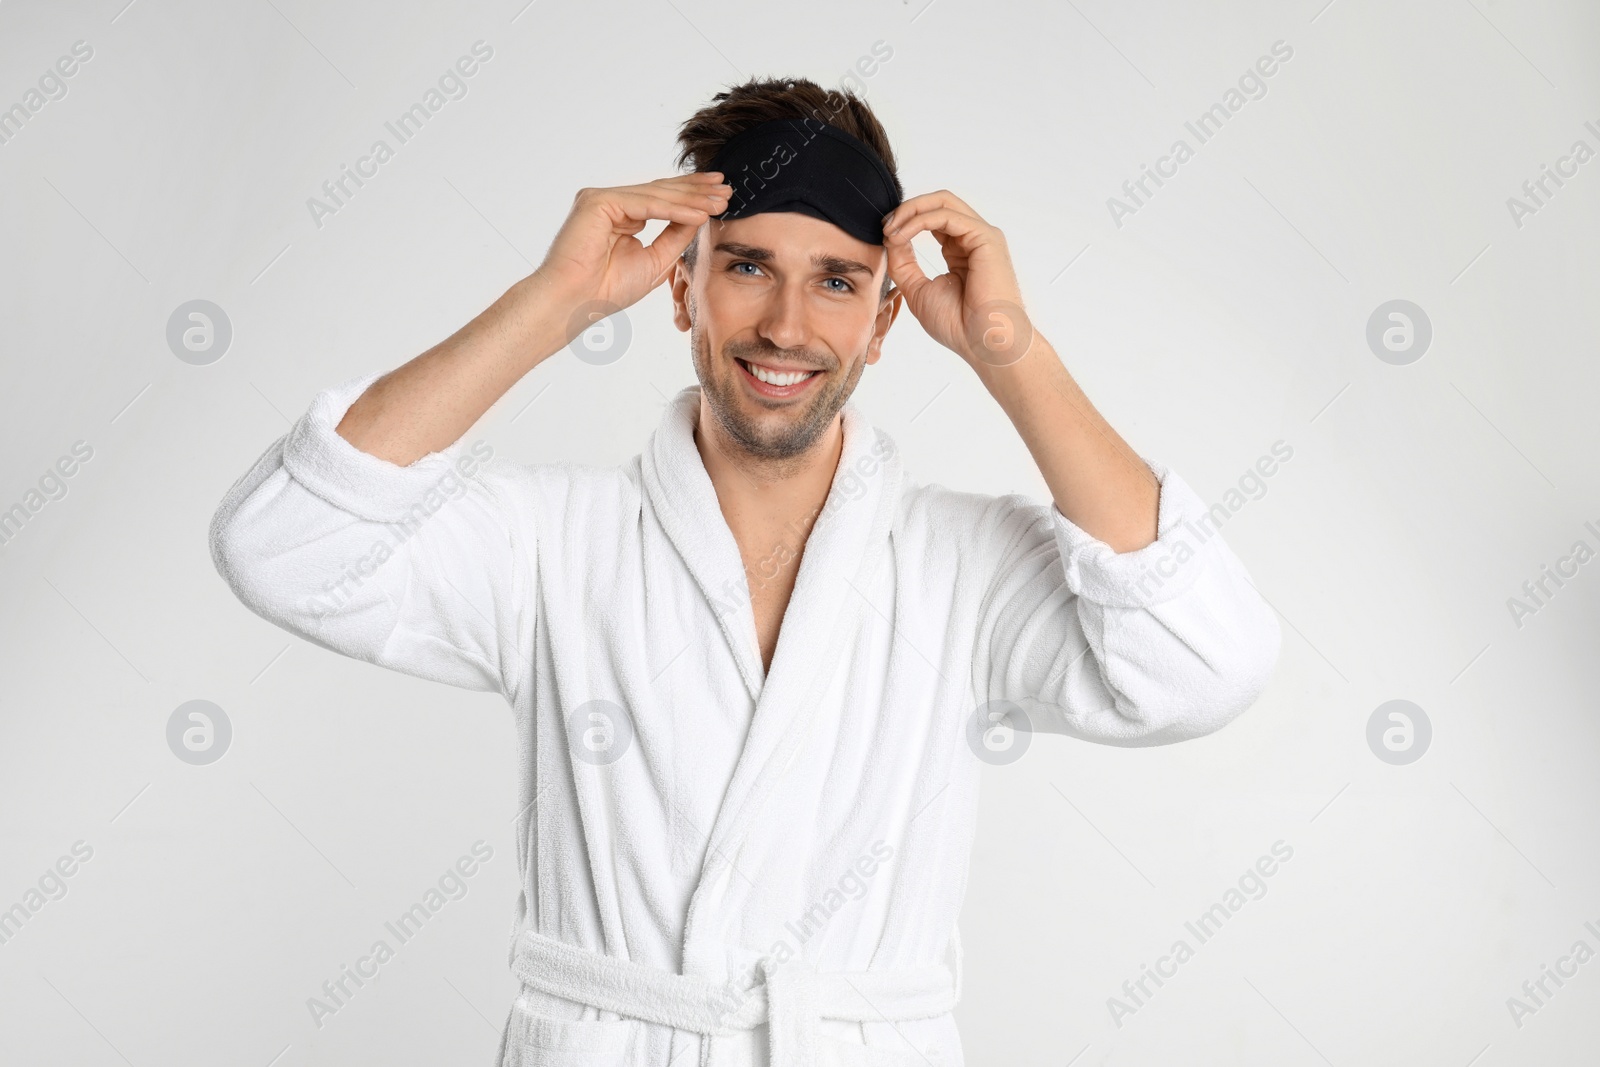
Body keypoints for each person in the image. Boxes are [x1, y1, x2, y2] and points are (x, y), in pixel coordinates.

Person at [210, 77, 1281, 1067]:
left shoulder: (964, 567)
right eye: (747, 264)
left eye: (837, 281)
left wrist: (1007, 345)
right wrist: (556, 301)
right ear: (683, 289)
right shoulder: (548, 544)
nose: (784, 325)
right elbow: (285, 541)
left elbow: (1204, 664)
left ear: (883, 319)